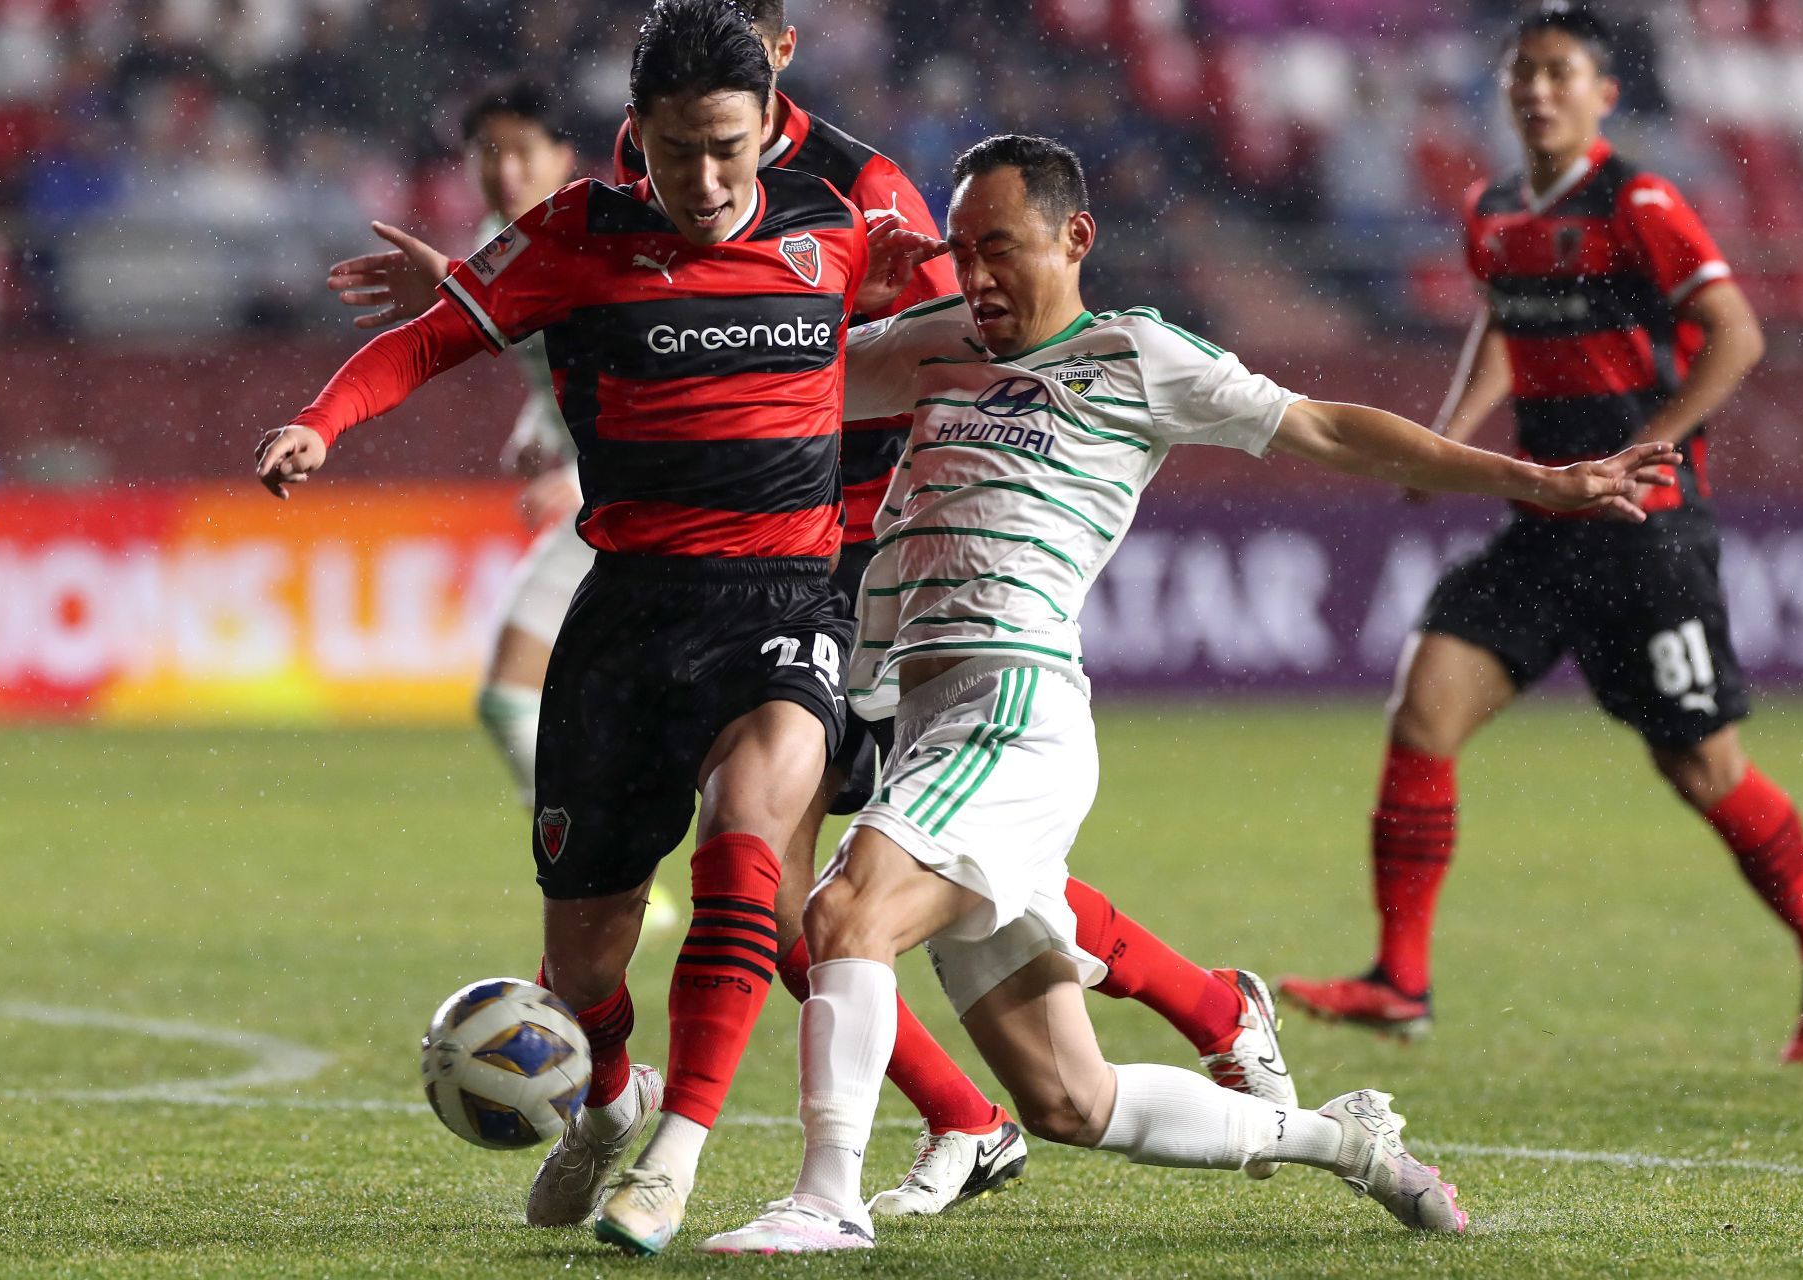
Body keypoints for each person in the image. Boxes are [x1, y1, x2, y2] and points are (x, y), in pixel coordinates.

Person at [333, 0, 1310, 1223]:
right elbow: (645, 324)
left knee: (839, 886)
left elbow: (976, 333)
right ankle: (1037, 1084)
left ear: (781, 51)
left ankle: (897, 1129)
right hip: (728, 561)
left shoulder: (860, 189)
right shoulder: (670, 171)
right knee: (849, 890)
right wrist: (494, 310)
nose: (702, 158)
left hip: (844, 561)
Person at [701, 133, 1676, 1253]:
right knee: (1070, 1099)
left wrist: (1533, 477)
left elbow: (1322, 425)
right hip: (927, 726)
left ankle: (828, 1201)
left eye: (1000, 249)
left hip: (1012, 712)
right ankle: (1341, 1138)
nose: (975, 278)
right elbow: (774, 373)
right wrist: (813, 290)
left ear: (1077, 238)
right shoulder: (936, 341)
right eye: (961, 250)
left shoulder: (1134, 354)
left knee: (840, 912)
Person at [255, 0, 942, 1256]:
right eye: (678, 149)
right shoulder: (578, 234)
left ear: (766, 126)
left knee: (752, 830)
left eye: (729, 146)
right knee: (583, 963)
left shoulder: (842, 224)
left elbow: (954, 328)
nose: (706, 178)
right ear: (637, 133)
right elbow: (426, 342)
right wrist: (320, 423)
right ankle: (606, 1106)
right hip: (629, 616)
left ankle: (677, 1148)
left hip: (787, 601)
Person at [1277, 2, 1803, 1063]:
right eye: (1524, 74)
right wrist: (1444, 440)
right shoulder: (1492, 208)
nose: (1538, 90)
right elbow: (1507, 322)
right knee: (1426, 704)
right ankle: (1400, 976)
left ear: (1603, 93)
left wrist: (1656, 444)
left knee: (1704, 769)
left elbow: (1738, 333)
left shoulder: (1637, 199)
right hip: (1547, 518)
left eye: (1560, 73)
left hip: (1648, 529)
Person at [329, 79, 681, 936]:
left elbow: (635, 347)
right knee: (610, 703)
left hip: (641, 495)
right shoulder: (500, 241)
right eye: (489, 150)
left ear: (567, 158)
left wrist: (580, 467)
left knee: (539, 697)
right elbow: (559, 357)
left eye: (524, 149)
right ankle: (628, 867)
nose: (506, 167)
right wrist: (542, 428)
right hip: (610, 494)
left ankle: (610, 871)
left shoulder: (592, 233)